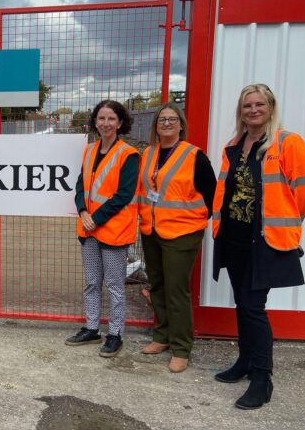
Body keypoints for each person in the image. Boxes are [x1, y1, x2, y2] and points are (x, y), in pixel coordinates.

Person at [212, 83, 305, 409]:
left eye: (259, 104)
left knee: (253, 307)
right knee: (242, 305)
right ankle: (245, 362)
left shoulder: (286, 142)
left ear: (270, 108)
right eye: (247, 106)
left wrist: (286, 217)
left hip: (265, 241)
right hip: (234, 237)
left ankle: (263, 378)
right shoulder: (234, 145)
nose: (253, 110)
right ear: (241, 112)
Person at [136, 103, 216, 373]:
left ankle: (181, 347)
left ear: (181, 125)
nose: (167, 123)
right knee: (157, 284)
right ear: (155, 126)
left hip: (182, 233)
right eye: (162, 120)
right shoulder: (148, 154)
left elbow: (212, 195)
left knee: (176, 289)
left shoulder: (194, 156)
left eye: (172, 119)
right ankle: (162, 336)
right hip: (152, 230)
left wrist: (194, 223)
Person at [66, 100, 139, 358]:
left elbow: (123, 195)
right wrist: (83, 212)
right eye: (101, 118)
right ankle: (92, 327)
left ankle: (115, 333)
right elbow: (79, 187)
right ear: (95, 122)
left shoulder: (128, 154)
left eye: (111, 119)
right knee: (92, 282)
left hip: (113, 232)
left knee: (115, 285)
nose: (105, 123)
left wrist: (95, 218)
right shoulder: (89, 150)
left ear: (120, 123)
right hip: (89, 229)